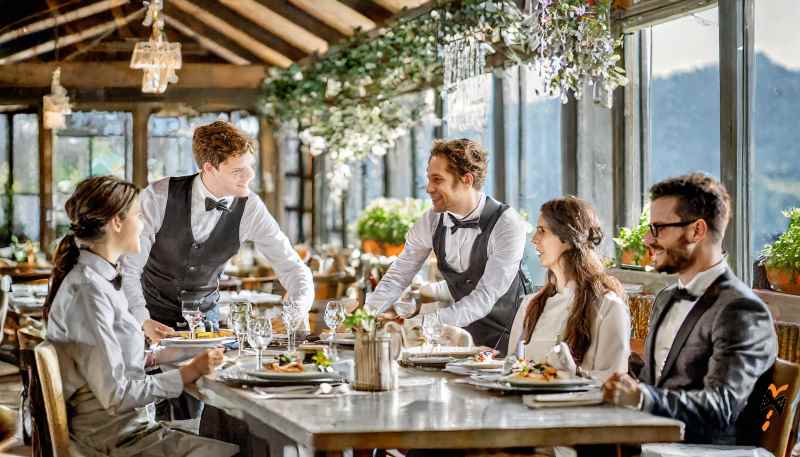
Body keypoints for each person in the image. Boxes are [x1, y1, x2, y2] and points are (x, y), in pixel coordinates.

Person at [121, 120, 314, 421]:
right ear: (208, 168)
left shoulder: (250, 207)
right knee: (161, 413)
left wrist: (294, 312)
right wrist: (142, 319)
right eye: (238, 171)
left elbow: (295, 270)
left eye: (250, 167)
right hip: (151, 324)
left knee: (220, 409)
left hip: (209, 333)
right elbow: (128, 269)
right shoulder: (159, 196)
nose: (249, 176)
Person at [45, 176, 238, 457]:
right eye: (138, 215)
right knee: (240, 450)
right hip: (113, 441)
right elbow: (117, 395)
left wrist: (183, 352)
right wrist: (188, 373)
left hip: (124, 430)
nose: (145, 224)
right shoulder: (89, 292)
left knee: (231, 437)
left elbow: (110, 362)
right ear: (116, 222)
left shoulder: (98, 280)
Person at [603, 173, 778, 445]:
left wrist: (641, 398)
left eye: (658, 228)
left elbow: (721, 407)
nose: (648, 240)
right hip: (650, 442)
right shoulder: (666, 298)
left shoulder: (741, 310)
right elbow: (658, 382)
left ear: (697, 230)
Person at [365, 138, 530, 352]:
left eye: (437, 180)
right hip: (462, 343)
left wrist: (423, 322)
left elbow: (484, 297)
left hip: (511, 342)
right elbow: (398, 275)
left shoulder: (507, 224)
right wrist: (366, 316)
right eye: (429, 179)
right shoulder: (432, 221)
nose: (428, 188)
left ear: (466, 180)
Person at [508, 196, 630, 382]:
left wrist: (573, 374)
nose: (534, 239)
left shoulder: (608, 306)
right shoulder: (530, 305)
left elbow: (614, 380)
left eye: (542, 231)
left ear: (567, 238)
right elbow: (511, 370)